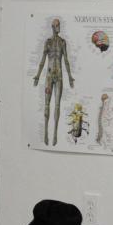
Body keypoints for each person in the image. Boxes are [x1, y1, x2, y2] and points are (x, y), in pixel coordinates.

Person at [33, 18, 74, 147]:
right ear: (52, 27)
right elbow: (43, 60)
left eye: (59, 25)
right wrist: (38, 76)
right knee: (47, 104)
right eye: (57, 26)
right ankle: (46, 132)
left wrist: (70, 77)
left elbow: (66, 60)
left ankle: (55, 134)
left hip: (60, 76)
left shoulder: (63, 42)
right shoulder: (48, 42)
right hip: (50, 76)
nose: (59, 27)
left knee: (57, 105)